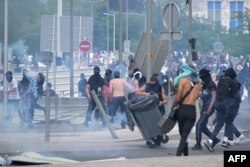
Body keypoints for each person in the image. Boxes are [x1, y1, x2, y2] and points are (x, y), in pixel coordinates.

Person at [204, 68, 240, 152]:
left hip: (218, 104)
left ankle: (224, 141)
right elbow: (235, 97)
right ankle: (212, 141)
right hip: (226, 106)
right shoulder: (233, 82)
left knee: (222, 123)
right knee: (225, 123)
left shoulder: (221, 80)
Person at [171, 64, 201, 156]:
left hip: (182, 109)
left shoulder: (182, 80)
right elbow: (197, 96)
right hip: (192, 110)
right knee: (184, 134)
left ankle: (178, 153)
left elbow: (178, 97)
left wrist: (173, 106)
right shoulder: (199, 83)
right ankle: (186, 152)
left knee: (182, 133)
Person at [192, 68, 219, 150]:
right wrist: (198, 95)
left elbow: (214, 95)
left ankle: (198, 144)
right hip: (205, 106)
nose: (200, 77)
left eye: (201, 76)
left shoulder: (211, 83)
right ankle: (215, 139)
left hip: (208, 107)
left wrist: (210, 107)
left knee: (198, 125)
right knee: (202, 126)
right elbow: (205, 95)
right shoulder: (204, 83)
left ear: (205, 75)